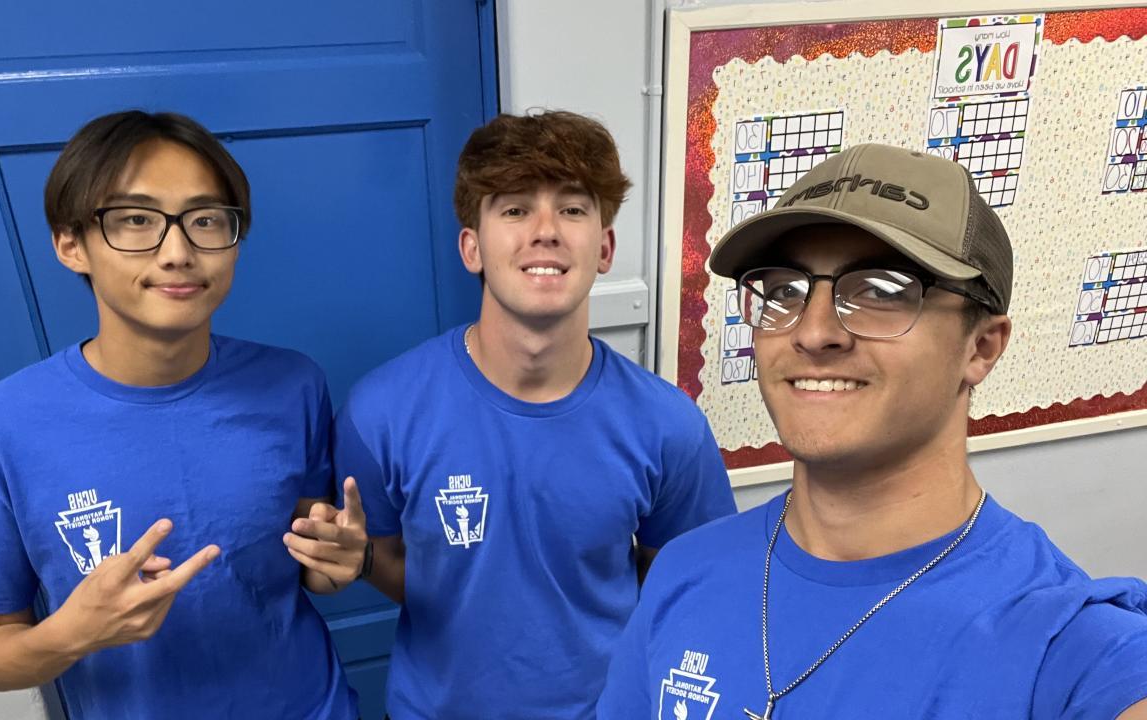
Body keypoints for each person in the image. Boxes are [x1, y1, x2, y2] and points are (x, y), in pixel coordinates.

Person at [597, 143, 1147, 719]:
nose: (813, 332)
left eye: (881, 291)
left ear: (981, 347)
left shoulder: (1066, 648)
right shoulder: (684, 572)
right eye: (783, 290)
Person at [0, 110, 363, 719]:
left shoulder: (292, 384)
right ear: (71, 245)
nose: (178, 252)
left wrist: (338, 565)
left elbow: (309, 564)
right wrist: (71, 634)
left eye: (205, 220)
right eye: (137, 220)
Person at [315, 110, 737, 719]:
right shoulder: (379, 412)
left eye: (572, 209)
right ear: (472, 248)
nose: (546, 231)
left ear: (604, 248)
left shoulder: (669, 427)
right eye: (515, 209)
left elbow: (681, 587)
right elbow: (379, 556)